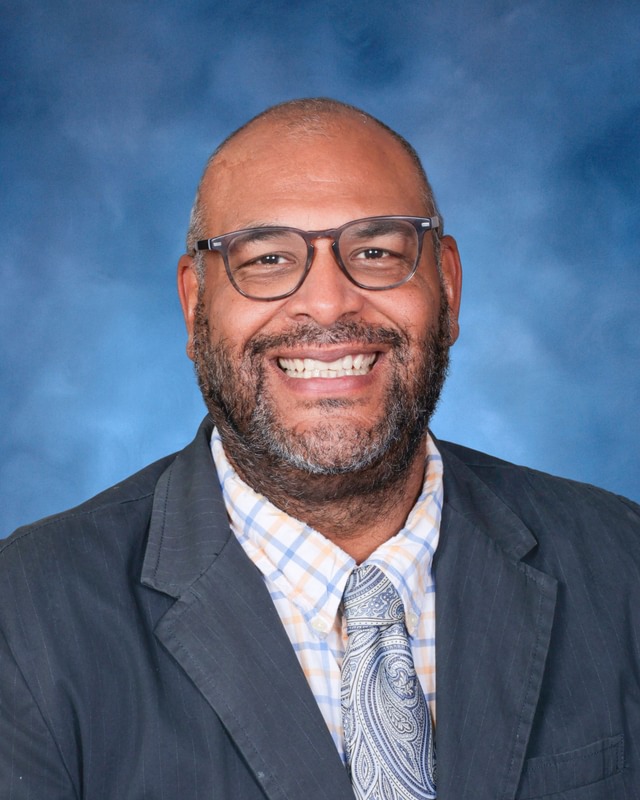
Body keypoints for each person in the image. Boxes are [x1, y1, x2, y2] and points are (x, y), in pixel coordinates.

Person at [1, 98, 638, 799]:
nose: (330, 303)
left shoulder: (622, 564)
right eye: (269, 258)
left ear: (448, 285)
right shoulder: (27, 616)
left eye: (376, 251)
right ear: (195, 303)